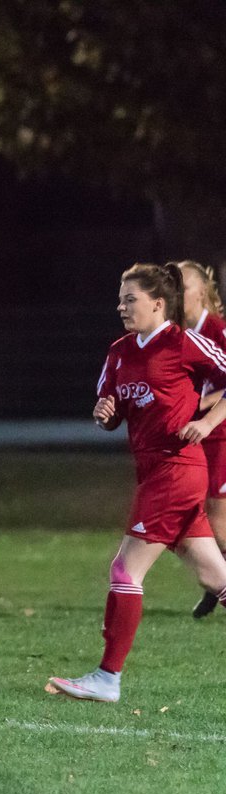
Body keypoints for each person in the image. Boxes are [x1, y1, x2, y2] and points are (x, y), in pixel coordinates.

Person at [49, 262, 226, 702]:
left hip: (177, 470)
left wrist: (207, 423)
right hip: (152, 471)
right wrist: (105, 415)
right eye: (120, 299)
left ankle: (108, 677)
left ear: (158, 304)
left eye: (131, 299)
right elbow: (112, 409)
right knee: (214, 574)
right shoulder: (119, 352)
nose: (121, 306)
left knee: (125, 570)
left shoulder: (185, 343)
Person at [180, 260, 226, 619]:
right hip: (194, 437)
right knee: (194, 517)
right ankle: (215, 584)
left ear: (202, 292)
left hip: (221, 433)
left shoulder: (217, 331)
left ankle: (217, 585)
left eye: (182, 285)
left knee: (217, 519)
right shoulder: (177, 334)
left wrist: (204, 402)